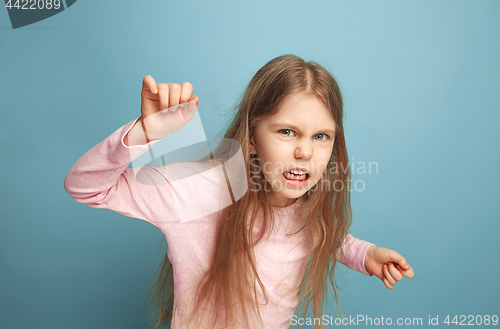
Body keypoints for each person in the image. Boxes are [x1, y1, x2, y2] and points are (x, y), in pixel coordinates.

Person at [64, 54, 414, 329]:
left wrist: (365, 255)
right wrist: (144, 133)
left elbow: (319, 233)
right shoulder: (196, 192)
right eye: (287, 132)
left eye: (320, 136)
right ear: (251, 138)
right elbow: (86, 187)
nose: (305, 152)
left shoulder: (306, 207)